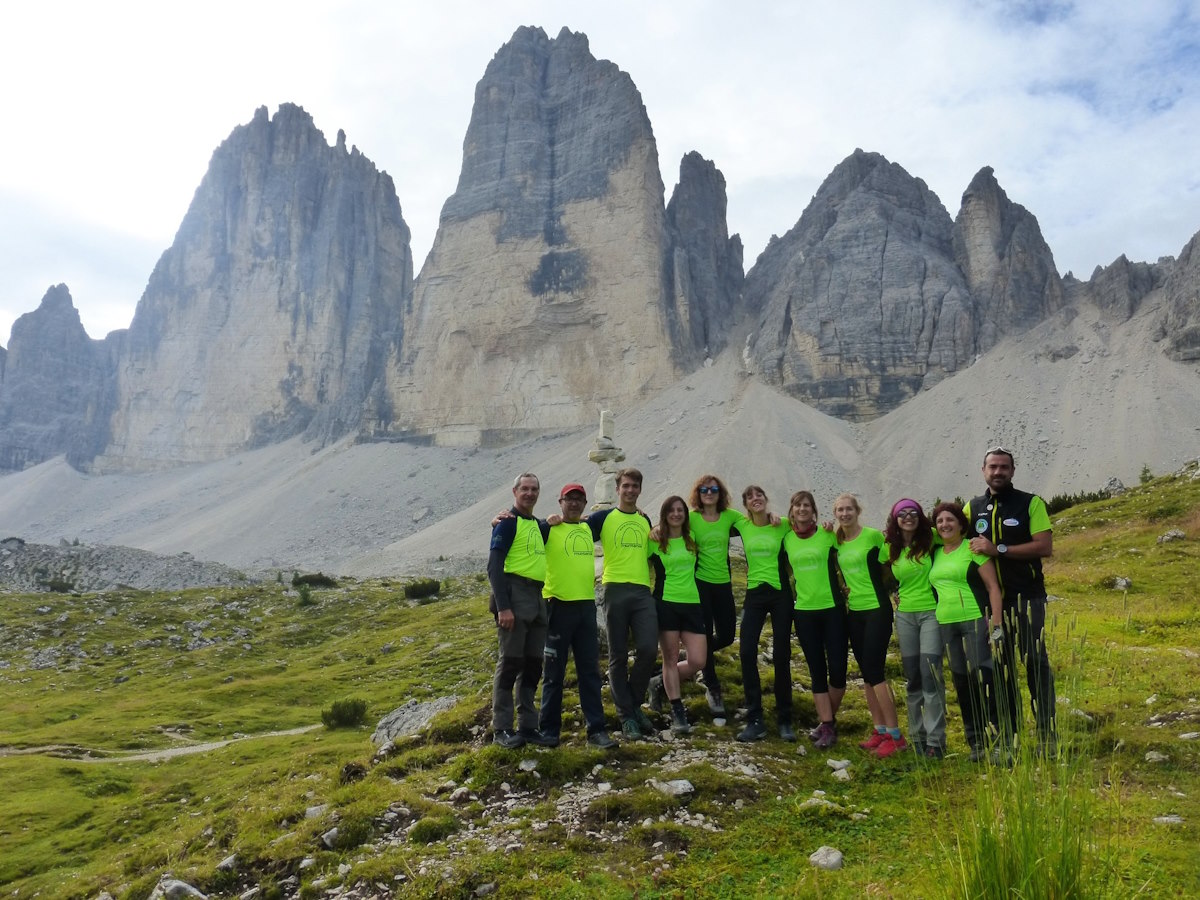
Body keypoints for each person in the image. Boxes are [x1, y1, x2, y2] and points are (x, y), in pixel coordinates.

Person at [965, 446, 1058, 756]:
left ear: (1013, 471)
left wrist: (999, 549)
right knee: (1000, 668)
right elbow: (946, 535)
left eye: (1004, 467)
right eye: (992, 467)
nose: (998, 472)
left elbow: (1044, 546)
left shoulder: (1030, 503)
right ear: (983, 471)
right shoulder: (972, 508)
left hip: (1027, 599)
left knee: (1035, 663)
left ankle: (1047, 736)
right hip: (993, 609)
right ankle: (1010, 737)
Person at [537, 483, 617, 750]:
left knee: (590, 672)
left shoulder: (587, 528)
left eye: (578, 500)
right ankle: (549, 731)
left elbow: (613, 514)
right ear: (560, 502)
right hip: (557, 608)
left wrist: (640, 511)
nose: (573, 504)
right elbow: (522, 528)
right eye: (568, 499)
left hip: (585, 608)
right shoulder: (549, 529)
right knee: (553, 674)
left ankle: (596, 730)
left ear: (584, 505)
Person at [583, 467, 658, 741]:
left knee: (649, 649)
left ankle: (633, 705)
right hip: (613, 588)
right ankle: (627, 717)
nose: (630, 490)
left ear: (639, 489)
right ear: (617, 489)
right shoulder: (603, 517)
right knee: (617, 655)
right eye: (625, 486)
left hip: (641, 590)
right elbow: (576, 532)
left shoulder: (645, 519)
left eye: (634, 486)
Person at [929, 501, 1003, 762]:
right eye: (939, 521)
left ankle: (997, 740)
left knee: (983, 678)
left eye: (950, 520)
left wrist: (996, 626)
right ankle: (976, 743)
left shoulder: (973, 549)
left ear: (961, 524)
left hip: (974, 620)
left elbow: (993, 587)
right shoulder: (935, 553)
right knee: (961, 682)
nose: (945, 525)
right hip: (945, 624)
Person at [833, 493, 905, 758]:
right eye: (840, 510)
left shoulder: (873, 536)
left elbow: (893, 562)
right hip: (855, 612)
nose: (844, 514)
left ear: (857, 511)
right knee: (866, 674)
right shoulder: (836, 540)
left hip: (877, 610)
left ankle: (896, 735)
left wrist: (899, 590)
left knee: (875, 672)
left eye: (849, 509)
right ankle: (880, 730)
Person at [486, 473, 553, 749]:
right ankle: (501, 728)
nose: (529, 493)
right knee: (511, 662)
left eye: (534, 489)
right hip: (515, 595)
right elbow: (494, 567)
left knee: (533, 664)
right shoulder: (506, 524)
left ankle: (528, 725)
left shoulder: (537, 526)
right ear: (514, 491)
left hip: (537, 598)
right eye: (524, 489)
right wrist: (503, 607)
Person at [882, 498, 947, 759]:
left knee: (931, 675)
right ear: (895, 520)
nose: (908, 517)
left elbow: (956, 533)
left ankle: (936, 740)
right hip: (905, 616)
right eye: (902, 514)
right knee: (913, 679)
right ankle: (917, 737)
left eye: (913, 513)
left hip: (931, 613)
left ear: (921, 516)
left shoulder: (932, 539)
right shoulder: (889, 547)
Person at [784, 491, 848, 750]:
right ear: (792, 509)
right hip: (804, 611)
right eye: (798, 505)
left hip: (832, 608)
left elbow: (847, 556)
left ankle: (825, 723)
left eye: (807, 505)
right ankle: (828, 725)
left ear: (814, 510)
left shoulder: (828, 535)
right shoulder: (786, 538)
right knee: (817, 671)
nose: (802, 509)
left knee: (839, 670)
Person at [733, 485, 793, 742]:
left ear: (766, 499)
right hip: (754, 594)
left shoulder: (783, 524)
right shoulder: (742, 525)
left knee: (781, 654)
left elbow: (807, 525)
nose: (755, 499)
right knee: (746, 651)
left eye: (759, 495)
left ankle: (785, 719)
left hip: (781, 595)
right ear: (746, 504)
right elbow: (709, 520)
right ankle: (755, 718)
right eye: (750, 497)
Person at [647, 495, 707, 736]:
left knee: (698, 661)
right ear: (664, 514)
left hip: (692, 604)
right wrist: (652, 528)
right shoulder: (654, 541)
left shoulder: (692, 538)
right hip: (666, 603)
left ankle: (658, 683)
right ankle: (677, 709)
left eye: (680, 510)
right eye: (671, 510)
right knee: (670, 659)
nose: (676, 514)